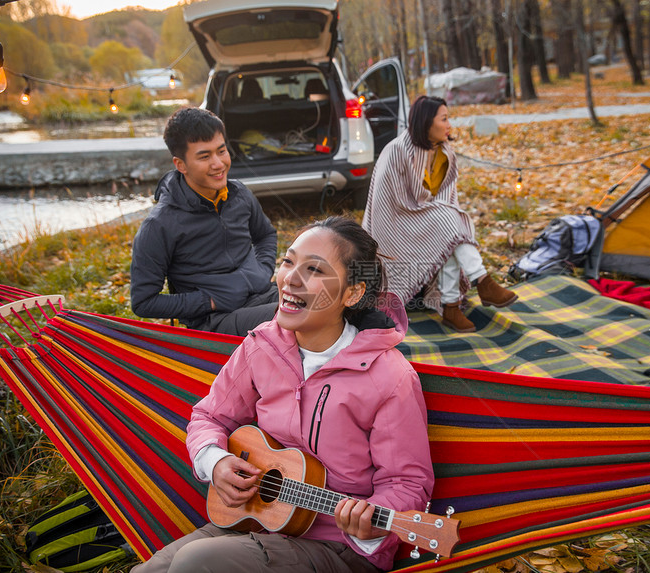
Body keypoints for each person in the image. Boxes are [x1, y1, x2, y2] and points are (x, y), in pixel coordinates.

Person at [132, 216, 434, 573]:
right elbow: (210, 416)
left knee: (194, 564)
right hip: (253, 520)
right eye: (288, 261)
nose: (290, 278)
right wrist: (216, 462)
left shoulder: (390, 376)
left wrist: (369, 524)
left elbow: (406, 481)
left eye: (314, 269)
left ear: (351, 293)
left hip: (337, 548)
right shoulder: (263, 344)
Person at [363, 95, 518, 333]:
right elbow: (389, 205)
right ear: (426, 122)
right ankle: (481, 282)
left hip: (429, 222)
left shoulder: (446, 154)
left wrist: (441, 216)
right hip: (395, 226)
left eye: (449, 119)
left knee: (453, 228)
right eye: (444, 119)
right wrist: (440, 216)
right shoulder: (396, 152)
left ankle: (451, 306)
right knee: (450, 223)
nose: (449, 126)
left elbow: (448, 200)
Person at [130, 107, 278, 336]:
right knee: (305, 316)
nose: (218, 163)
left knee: (333, 299)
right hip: (216, 321)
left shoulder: (239, 194)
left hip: (262, 295)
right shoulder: (159, 225)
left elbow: (265, 235)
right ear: (181, 165)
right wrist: (208, 301)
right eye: (204, 156)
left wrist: (263, 270)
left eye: (221, 151)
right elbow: (144, 302)